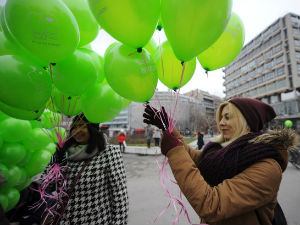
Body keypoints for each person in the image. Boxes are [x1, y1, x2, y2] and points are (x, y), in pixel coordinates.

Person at [143, 98, 298, 225]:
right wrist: (168, 127)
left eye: (228, 117)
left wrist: (174, 150)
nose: (221, 123)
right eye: (221, 117)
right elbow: (193, 157)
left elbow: (212, 205)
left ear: (247, 122)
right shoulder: (222, 151)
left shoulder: (267, 167)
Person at [43, 113, 129, 225]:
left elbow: (119, 197)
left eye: (81, 126)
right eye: (74, 127)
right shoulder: (65, 153)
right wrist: (55, 164)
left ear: (92, 128)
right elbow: (46, 187)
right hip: (63, 219)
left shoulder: (109, 152)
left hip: (95, 220)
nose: (77, 131)